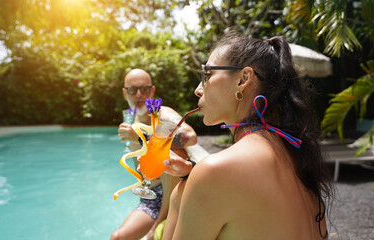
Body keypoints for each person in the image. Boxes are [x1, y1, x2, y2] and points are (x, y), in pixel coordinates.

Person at [162, 30, 333, 239]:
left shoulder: (215, 172)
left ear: (243, 79)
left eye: (207, 75)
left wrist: (181, 192)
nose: (198, 89)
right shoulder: (297, 159)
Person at [111, 69, 198, 240]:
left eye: (144, 89)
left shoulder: (160, 113)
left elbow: (191, 137)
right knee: (117, 237)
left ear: (152, 91)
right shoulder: (131, 119)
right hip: (151, 198)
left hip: (174, 194)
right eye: (132, 90)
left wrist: (142, 138)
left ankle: (159, 225)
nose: (138, 95)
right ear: (124, 93)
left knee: (174, 151)